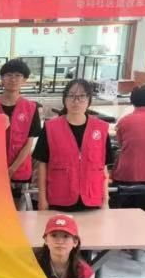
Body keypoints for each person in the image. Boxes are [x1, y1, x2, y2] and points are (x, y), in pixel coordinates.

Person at [33, 79, 114, 212]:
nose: (76, 101)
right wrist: (42, 200)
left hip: (92, 199)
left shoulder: (101, 128)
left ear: (89, 100)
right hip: (59, 198)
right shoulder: (50, 128)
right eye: (71, 96)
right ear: (64, 99)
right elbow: (42, 166)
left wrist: (105, 200)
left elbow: (103, 168)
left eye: (81, 96)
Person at [0, 59, 41, 186]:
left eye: (18, 75)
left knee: (18, 199)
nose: (13, 79)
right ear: (2, 79)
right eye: (8, 75)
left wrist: (13, 168)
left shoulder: (31, 108)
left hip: (20, 169)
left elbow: (29, 143)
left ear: (25, 80)